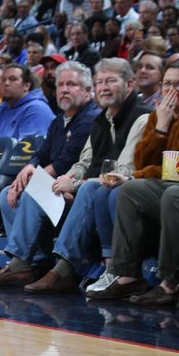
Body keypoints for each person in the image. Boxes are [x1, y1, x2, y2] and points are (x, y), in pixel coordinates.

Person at [0, 62, 99, 287]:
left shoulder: (91, 118)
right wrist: (29, 166)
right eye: (61, 84)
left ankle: (20, 262)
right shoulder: (59, 120)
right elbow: (42, 153)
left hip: (76, 190)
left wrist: (35, 176)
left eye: (71, 84)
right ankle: (37, 262)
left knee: (31, 190)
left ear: (87, 90)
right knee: (7, 193)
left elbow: (67, 161)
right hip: (57, 187)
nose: (64, 89)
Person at [86, 60, 179, 305]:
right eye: (168, 84)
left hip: (173, 187)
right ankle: (126, 275)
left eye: (178, 85)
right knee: (129, 190)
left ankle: (170, 282)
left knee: (171, 193)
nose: (173, 90)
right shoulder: (158, 117)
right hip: (168, 183)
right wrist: (160, 127)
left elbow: (173, 169)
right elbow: (142, 161)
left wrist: (139, 174)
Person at [0, 64, 55, 171]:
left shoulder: (37, 109)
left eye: (13, 79)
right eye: (3, 79)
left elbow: (26, 154)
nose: (6, 83)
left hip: (16, 173)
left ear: (26, 85)